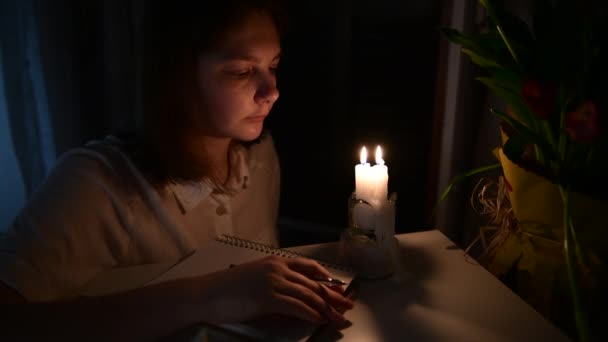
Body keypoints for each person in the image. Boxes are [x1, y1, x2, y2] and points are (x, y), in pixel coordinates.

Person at [0, 0, 353, 340]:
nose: (272, 91)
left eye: (273, 66)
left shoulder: (259, 158)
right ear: (179, 75)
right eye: (241, 71)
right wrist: (209, 296)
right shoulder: (98, 183)